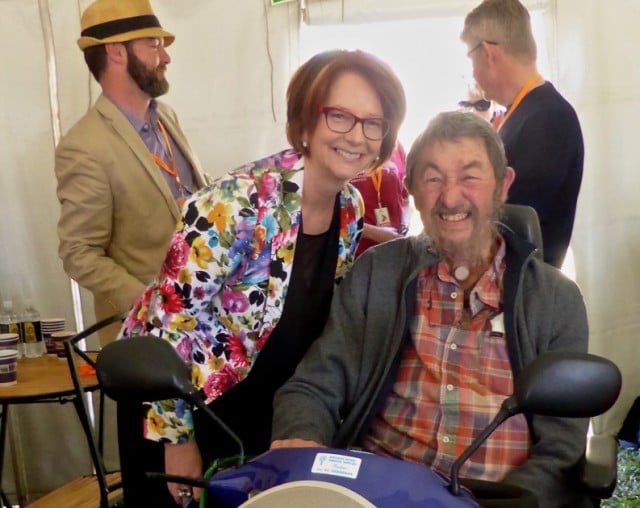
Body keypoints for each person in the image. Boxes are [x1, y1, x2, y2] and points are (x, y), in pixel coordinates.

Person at [116, 49, 406, 506]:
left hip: (261, 409)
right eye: (340, 117)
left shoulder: (349, 209)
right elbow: (165, 327)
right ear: (306, 120)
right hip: (181, 408)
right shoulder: (233, 204)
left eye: (374, 122)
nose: (358, 136)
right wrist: (178, 442)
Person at [271, 111, 591, 507]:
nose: (451, 197)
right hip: (377, 492)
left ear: (502, 185)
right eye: (433, 178)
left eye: (470, 176)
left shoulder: (556, 302)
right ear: (411, 191)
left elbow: (561, 450)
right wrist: (303, 442)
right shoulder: (378, 274)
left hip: (498, 500)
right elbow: (315, 385)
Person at [55, 0, 208, 345]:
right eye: (153, 45)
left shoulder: (166, 116)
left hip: (206, 326)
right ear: (116, 52)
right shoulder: (84, 146)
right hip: (149, 342)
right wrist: (152, 304)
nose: (165, 57)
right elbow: (79, 253)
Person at [461, 0, 584, 269]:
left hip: (523, 291)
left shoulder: (547, 118)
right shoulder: (521, 113)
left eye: (471, 60)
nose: (473, 73)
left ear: (488, 53)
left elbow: (510, 223)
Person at [349, 141, 411, 258]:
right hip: (356, 253)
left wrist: (404, 225)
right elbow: (332, 212)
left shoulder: (398, 148)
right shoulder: (350, 147)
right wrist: (376, 233)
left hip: (394, 250)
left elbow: (405, 199)